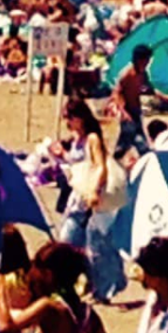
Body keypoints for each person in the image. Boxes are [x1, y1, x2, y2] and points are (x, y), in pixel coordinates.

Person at [57, 100, 125, 302]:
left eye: (70, 117)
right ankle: (86, 285)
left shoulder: (92, 139)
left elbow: (100, 165)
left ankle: (105, 289)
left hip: (91, 197)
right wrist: (62, 155)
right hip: (77, 196)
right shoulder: (76, 139)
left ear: (80, 117)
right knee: (74, 246)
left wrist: (95, 191)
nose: (67, 122)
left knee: (95, 245)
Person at [112, 44, 155, 161]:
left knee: (130, 137)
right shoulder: (127, 74)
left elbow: (150, 89)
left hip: (136, 110)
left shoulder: (143, 74)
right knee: (132, 136)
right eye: (145, 60)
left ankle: (122, 154)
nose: (146, 63)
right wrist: (123, 111)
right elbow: (117, 93)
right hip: (127, 111)